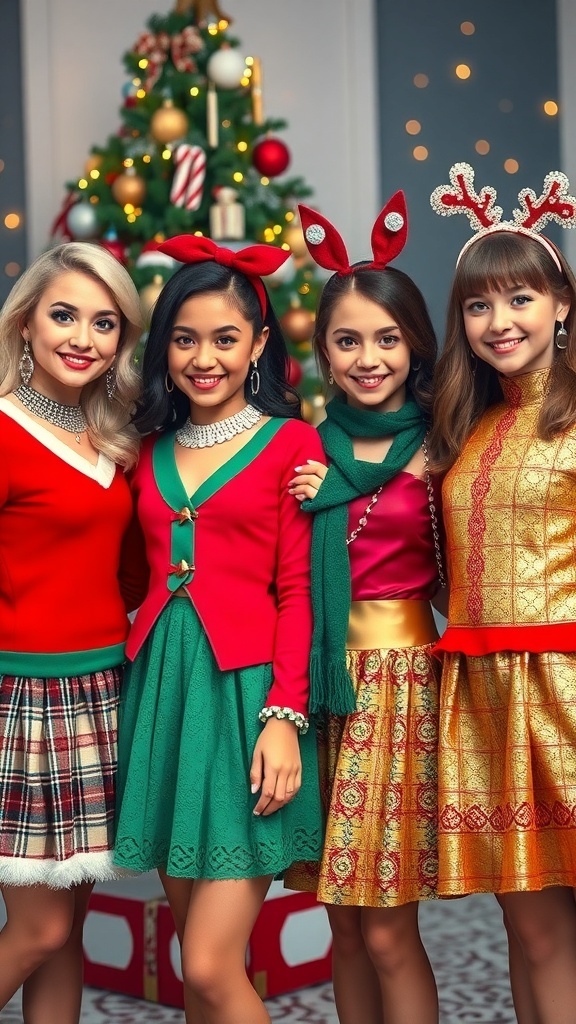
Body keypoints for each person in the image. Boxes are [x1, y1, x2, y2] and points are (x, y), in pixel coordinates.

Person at [112, 235, 324, 1024]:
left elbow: (299, 592)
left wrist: (285, 717)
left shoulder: (292, 443)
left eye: (225, 339)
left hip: (247, 705)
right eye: (185, 339)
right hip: (162, 700)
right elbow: (127, 578)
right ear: (164, 347)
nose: (204, 358)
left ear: (259, 345)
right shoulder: (146, 450)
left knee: (206, 964)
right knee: (195, 964)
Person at [286, 196, 445, 1024]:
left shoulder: (443, 443)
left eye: (387, 338)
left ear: (414, 344)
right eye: (347, 340)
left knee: (386, 930)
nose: (368, 357)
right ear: (324, 351)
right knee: (341, 927)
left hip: (399, 688)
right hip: (320, 686)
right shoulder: (305, 447)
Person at [429, 161, 576, 1024]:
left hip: (565, 693)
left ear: (561, 305)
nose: (500, 321)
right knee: (530, 932)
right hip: (486, 697)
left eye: (521, 298)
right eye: (479, 305)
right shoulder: (466, 425)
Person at [0, 242, 145, 1022]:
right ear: (25, 323)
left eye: (104, 323)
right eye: (64, 316)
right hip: (23, 700)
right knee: (40, 928)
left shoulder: (113, 438)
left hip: (101, 692)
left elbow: (126, 574)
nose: (83, 338)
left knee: (68, 933)